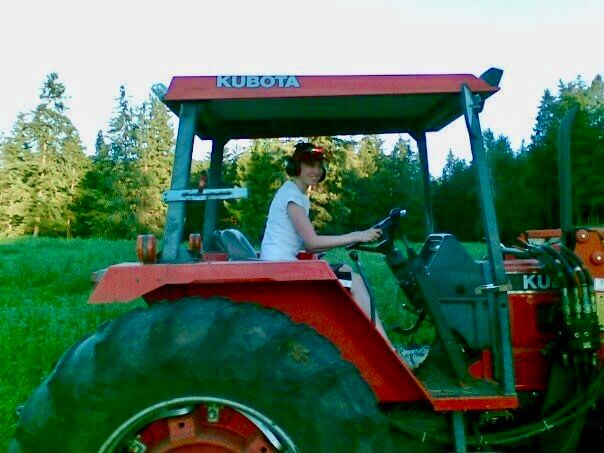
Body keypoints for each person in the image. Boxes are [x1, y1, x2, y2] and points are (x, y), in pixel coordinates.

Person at [260, 142, 385, 332]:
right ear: (296, 167)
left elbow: (309, 247)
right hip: (282, 274)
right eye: (311, 165)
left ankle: (356, 333)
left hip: (283, 268)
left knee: (343, 268)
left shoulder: (297, 195)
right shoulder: (291, 196)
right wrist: (355, 235)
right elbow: (312, 241)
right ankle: (387, 350)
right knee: (357, 283)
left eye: (319, 166)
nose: (317, 171)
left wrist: (341, 243)